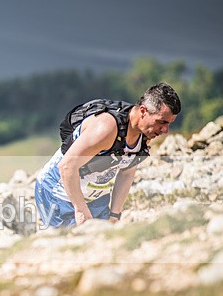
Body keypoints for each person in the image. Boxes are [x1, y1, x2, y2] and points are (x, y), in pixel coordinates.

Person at [35, 82, 181, 227]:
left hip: (97, 200)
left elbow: (127, 172)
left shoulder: (144, 134)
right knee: (75, 246)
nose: (165, 130)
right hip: (59, 195)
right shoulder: (106, 128)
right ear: (143, 111)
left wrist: (115, 215)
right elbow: (66, 166)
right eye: (161, 122)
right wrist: (80, 211)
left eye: (169, 124)